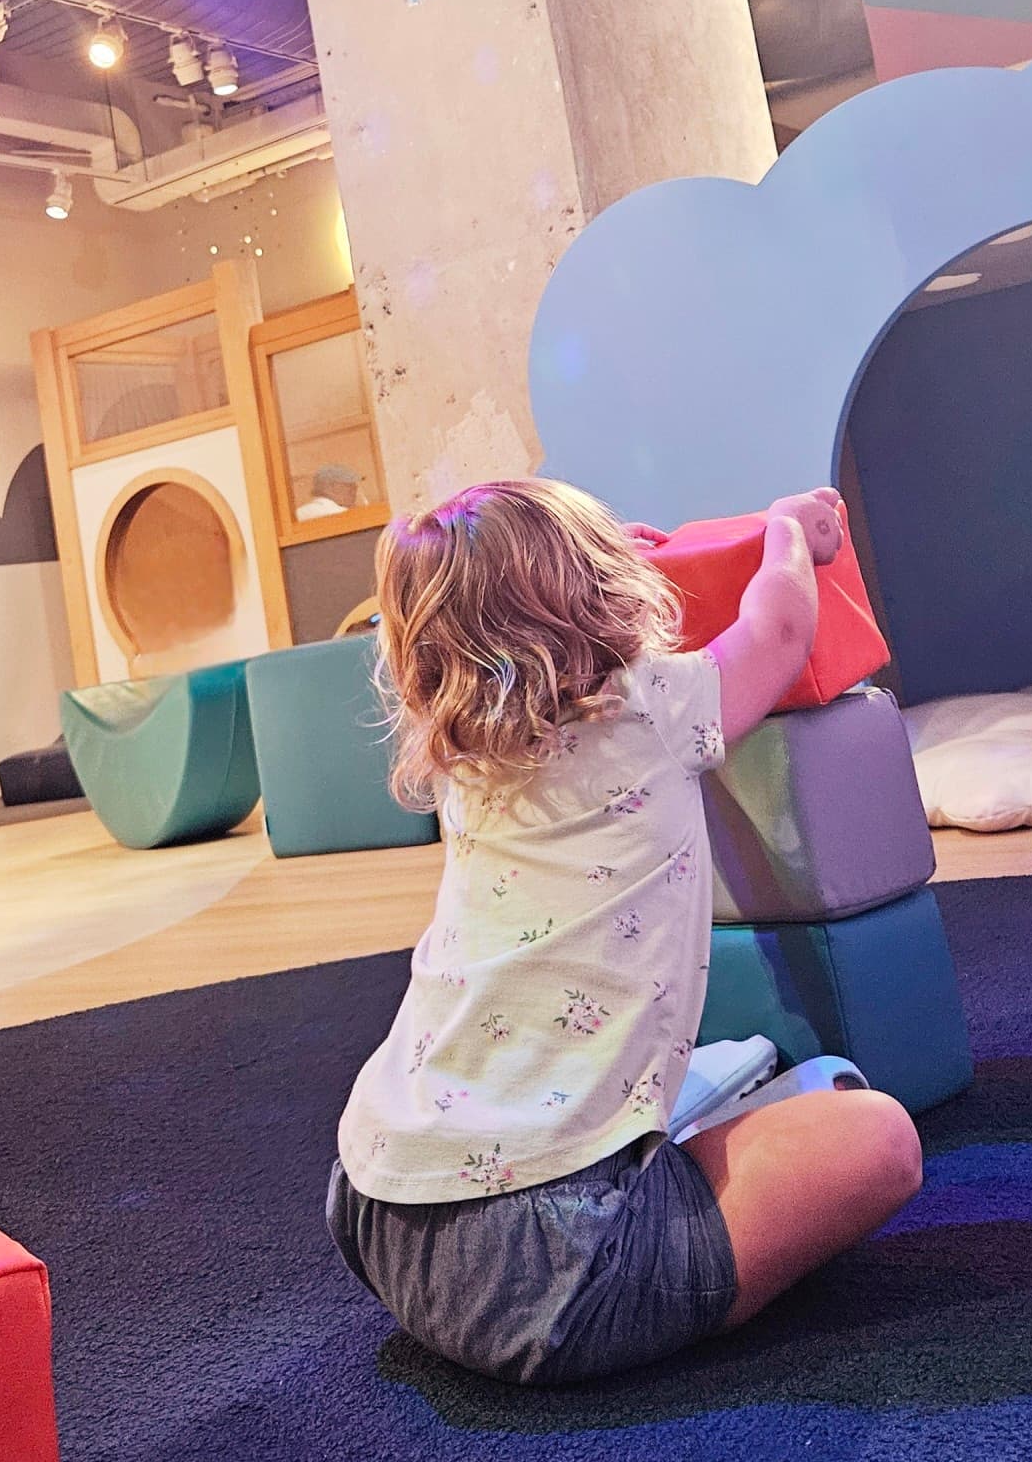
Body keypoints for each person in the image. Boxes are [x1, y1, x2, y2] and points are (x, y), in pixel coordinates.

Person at [327, 478, 923, 1385]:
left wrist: (574, 573)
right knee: (875, 1136)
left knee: (709, 1071)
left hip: (377, 1204)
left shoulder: (461, 759)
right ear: (595, 595)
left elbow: (485, 616)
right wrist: (785, 537)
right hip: (558, 1269)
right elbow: (780, 631)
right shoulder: (652, 711)